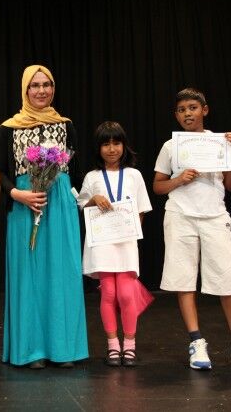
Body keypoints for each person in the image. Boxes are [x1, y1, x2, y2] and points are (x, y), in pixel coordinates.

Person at [153, 87, 231, 371]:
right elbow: (158, 186)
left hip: (214, 216)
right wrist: (179, 179)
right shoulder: (171, 146)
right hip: (180, 215)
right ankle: (196, 341)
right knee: (184, 279)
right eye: (181, 110)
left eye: (192, 108)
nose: (187, 114)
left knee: (226, 277)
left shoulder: (220, 142)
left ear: (205, 110)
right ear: (176, 115)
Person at [0, 64, 88, 369]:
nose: (41, 90)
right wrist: (17, 194)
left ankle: (64, 349)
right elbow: (0, 172)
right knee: (29, 275)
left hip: (59, 207)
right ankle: (31, 350)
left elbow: (75, 172)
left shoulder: (66, 125)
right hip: (25, 205)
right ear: (25, 89)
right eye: (34, 85)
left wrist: (69, 198)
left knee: (61, 273)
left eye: (46, 84)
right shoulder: (9, 128)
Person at [77, 121, 153, 367]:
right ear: (98, 148)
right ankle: (112, 345)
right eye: (106, 144)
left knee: (126, 293)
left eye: (116, 143)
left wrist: (132, 233)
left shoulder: (134, 175)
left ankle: (129, 345)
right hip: (102, 242)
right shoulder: (92, 177)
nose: (111, 149)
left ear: (124, 145)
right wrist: (93, 199)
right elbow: (81, 204)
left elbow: (141, 209)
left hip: (126, 242)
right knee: (109, 292)